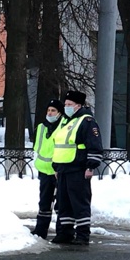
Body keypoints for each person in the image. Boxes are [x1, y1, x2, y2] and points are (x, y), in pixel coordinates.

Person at [50, 89, 105, 246]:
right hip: (64, 169)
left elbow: (94, 145)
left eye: (69, 104)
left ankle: (82, 235)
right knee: (63, 202)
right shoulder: (67, 121)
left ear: (78, 105)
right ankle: (65, 233)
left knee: (79, 203)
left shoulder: (86, 121)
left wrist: (91, 166)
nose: (66, 107)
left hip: (78, 168)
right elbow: (59, 146)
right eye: (65, 104)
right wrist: (56, 167)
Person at [31, 99, 62, 238]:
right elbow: (38, 148)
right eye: (48, 110)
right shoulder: (41, 127)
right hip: (44, 170)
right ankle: (40, 230)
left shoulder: (63, 127)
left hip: (58, 171)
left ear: (59, 113)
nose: (50, 113)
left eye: (53, 110)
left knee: (60, 204)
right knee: (44, 202)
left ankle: (62, 232)